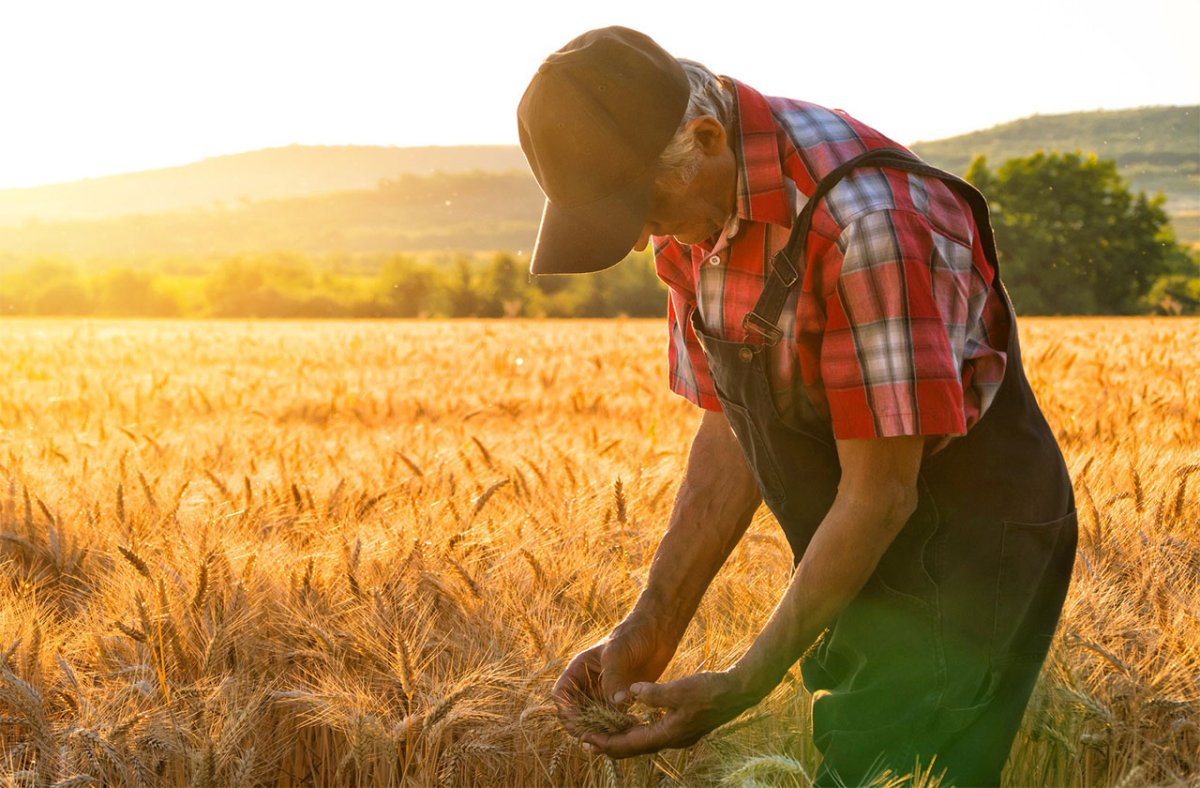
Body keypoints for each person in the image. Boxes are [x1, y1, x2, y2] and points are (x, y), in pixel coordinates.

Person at [517, 26, 1077, 786]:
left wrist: (745, 685)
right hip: (850, 537)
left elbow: (881, 495)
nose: (644, 236)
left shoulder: (869, 226)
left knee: (878, 769)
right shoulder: (694, 210)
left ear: (707, 137)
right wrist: (651, 626)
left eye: (643, 207)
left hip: (964, 545)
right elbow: (730, 430)